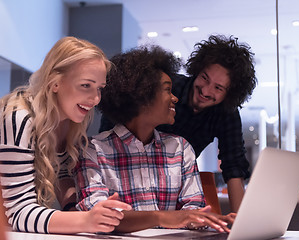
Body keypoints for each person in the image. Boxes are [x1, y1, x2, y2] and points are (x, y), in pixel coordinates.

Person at [75, 45, 235, 233]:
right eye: (168, 90)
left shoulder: (181, 149)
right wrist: (163, 216)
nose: (175, 98)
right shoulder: (92, 151)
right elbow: (98, 217)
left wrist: (201, 219)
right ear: (142, 95)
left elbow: (193, 210)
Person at [100, 35, 257, 213]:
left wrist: (240, 223)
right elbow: (114, 124)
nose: (206, 90)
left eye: (218, 88)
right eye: (204, 78)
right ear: (197, 70)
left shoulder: (190, 145)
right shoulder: (165, 87)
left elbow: (234, 166)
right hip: (128, 177)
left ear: (229, 94)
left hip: (175, 190)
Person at [0, 36, 131, 234]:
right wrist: (85, 220)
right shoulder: (19, 119)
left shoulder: (69, 120)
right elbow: (17, 213)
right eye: (86, 85)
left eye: (99, 88)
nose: (95, 99)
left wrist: (79, 210)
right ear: (55, 83)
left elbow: (61, 176)